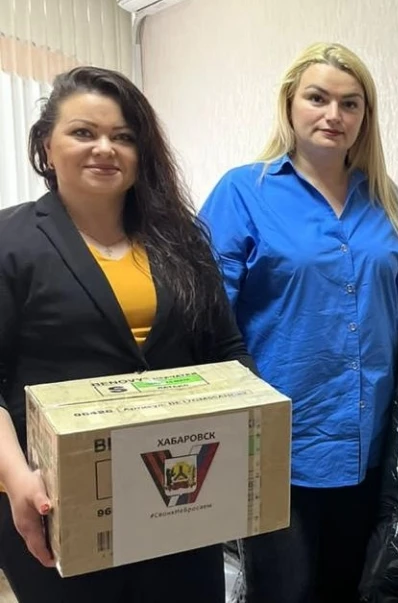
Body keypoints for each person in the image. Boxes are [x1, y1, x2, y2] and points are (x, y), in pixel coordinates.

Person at [198, 42, 398, 603]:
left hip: (367, 446)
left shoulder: (383, 198)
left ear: (364, 117)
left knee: (351, 591)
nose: (333, 115)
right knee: (284, 593)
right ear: (290, 104)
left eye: (350, 104)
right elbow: (208, 315)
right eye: (317, 98)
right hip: (279, 447)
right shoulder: (244, 192)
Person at [0, 66, 256, 603]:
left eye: (123, 136)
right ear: (47, 146)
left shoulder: (180, 239)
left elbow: (225, 351)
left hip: (181, 487)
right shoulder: (10, 240)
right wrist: (18, 478)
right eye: (83, 132)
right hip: (58, 497)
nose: (105, 149)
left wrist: (250, 438)